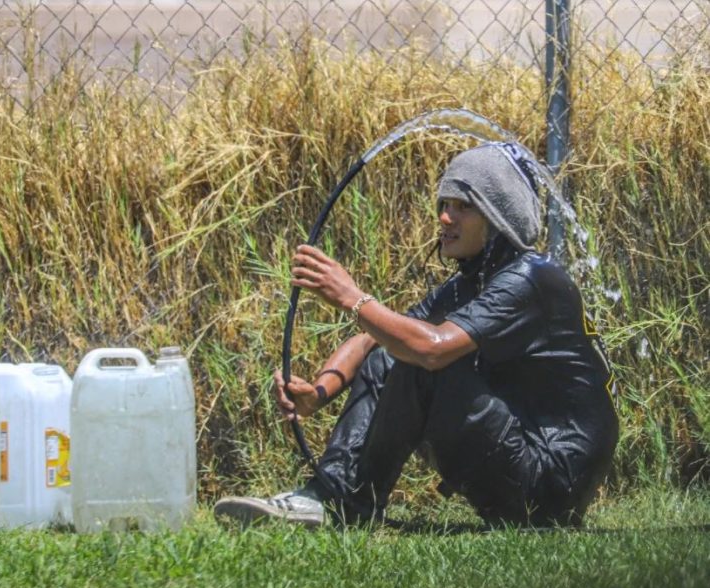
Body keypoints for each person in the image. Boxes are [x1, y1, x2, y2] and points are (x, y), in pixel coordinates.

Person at [214, 142, 619, 529]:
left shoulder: (530, 279)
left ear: (497, 218)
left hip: (552, 482)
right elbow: (373, 341)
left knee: (421, 358)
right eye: (444, 204)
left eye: (463, 206)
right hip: (525, 463)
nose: (445, 217)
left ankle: (344, 504)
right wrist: (318, 393)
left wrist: (352, 297)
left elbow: (429, 350)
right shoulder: (472, 281)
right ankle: (329, 496)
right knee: (396, 348)